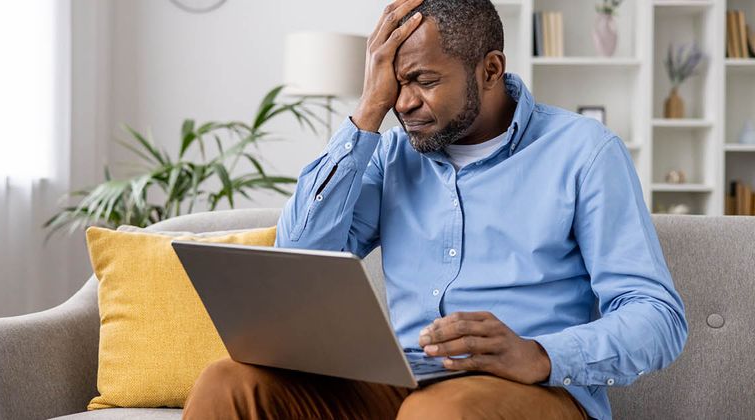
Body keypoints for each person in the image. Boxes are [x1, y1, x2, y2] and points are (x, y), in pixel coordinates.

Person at [183, 0, 688, 418]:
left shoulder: (584, 152)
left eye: (423, 80)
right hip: (404, 380)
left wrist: (538, 354)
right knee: (228, 383)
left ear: (490, 69)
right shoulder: (390, 152)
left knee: (439, 414)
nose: (403, 103)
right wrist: (366, 112)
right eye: (393, 83)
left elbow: (657, 317)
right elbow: (298, 260)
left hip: (534, 389)